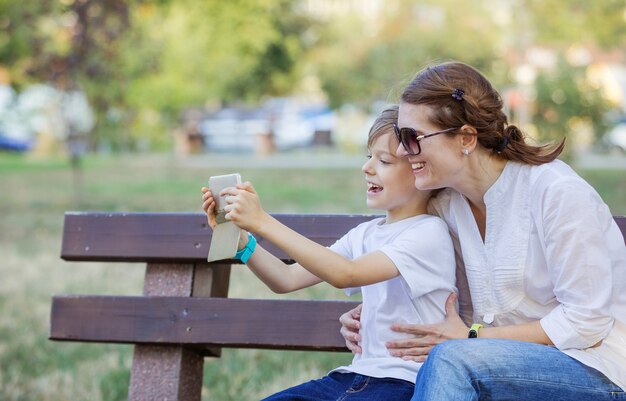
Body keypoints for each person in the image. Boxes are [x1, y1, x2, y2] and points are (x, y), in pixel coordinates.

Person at [340, 61, 626, 400]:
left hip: (594, 371)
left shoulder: (556, 192)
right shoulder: (446, 205)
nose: (402, 151)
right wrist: (372, 316)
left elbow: (586, 324)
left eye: (412, 137)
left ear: (466, 138)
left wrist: (473, 338)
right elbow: (434, 292)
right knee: (452, 359)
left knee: (452, 360)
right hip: (490, 366)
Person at [201, 106, 459, 400]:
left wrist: (263, 221)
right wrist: (242, 241)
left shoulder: (428, 232)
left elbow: (346, 274)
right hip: (352, 377)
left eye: (384, 161)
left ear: (419, 169)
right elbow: (285, 279)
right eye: (369, 157)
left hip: (403, 383)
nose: (367, 167)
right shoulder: (364, 234)